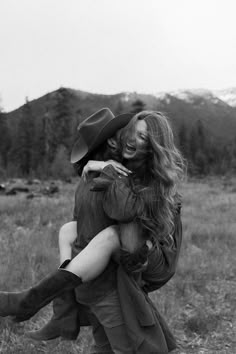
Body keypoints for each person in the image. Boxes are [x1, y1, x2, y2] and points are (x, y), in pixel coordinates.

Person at [0, 108, 184, 353]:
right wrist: (103, 167)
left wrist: (106, 169)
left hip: (154, 254)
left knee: (111, 235)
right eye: (132, 132)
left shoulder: (152, 176)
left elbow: (125, 213)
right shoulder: (118, 168)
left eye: (143, 137)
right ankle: (62, 304)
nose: (130, 139)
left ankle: (34, 300)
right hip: (128, 249)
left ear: (154, 146)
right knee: (68, 229)